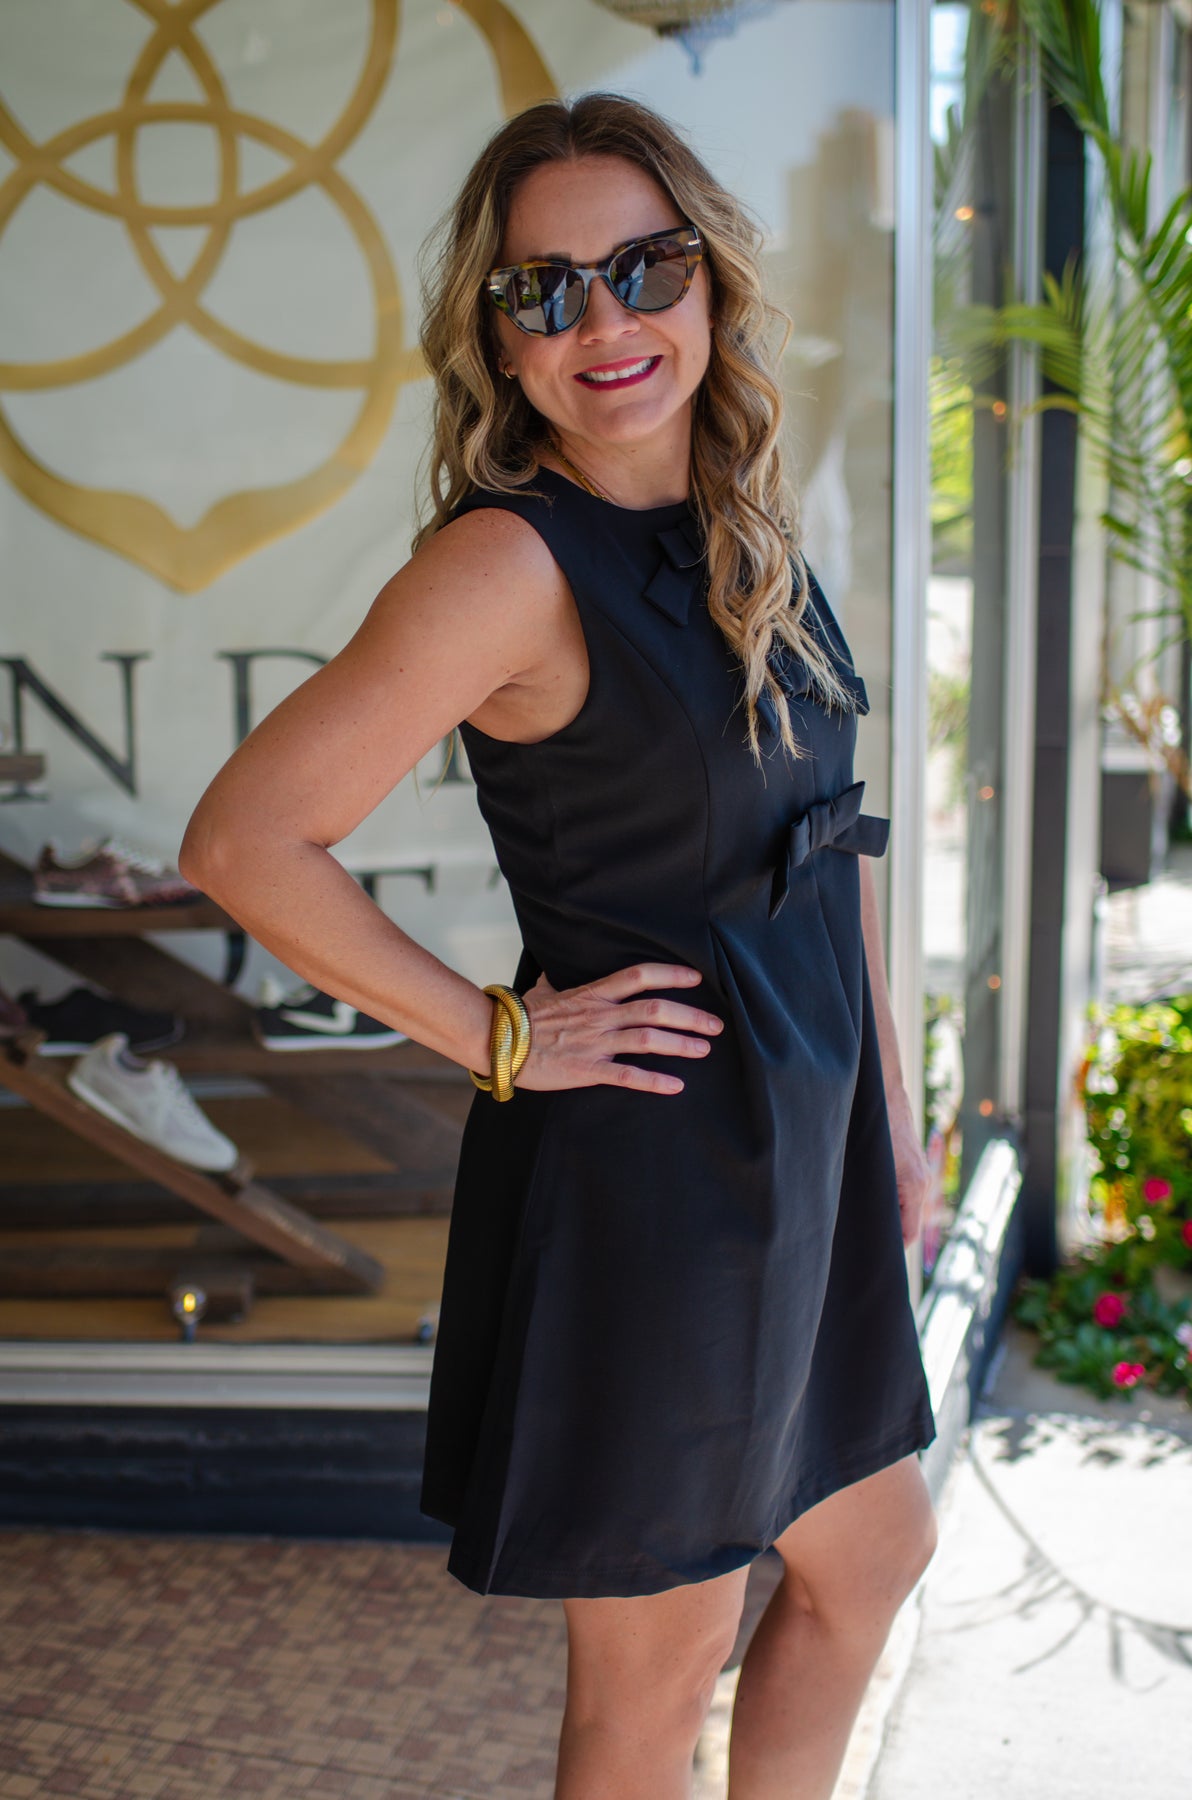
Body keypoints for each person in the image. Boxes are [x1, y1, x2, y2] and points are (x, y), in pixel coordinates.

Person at [180, 92, 938, 1800]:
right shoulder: (507, 566)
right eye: (548, 290)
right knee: (656, 1684)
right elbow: (244, 841)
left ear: (713, 282)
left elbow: (831, 851)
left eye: (645, 267)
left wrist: (887, 1120)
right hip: (660, 1186)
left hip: (803, 1159)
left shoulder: (748, 522)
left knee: (873, 1549)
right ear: (501, 337)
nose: (606, 321)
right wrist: (501, 1035)